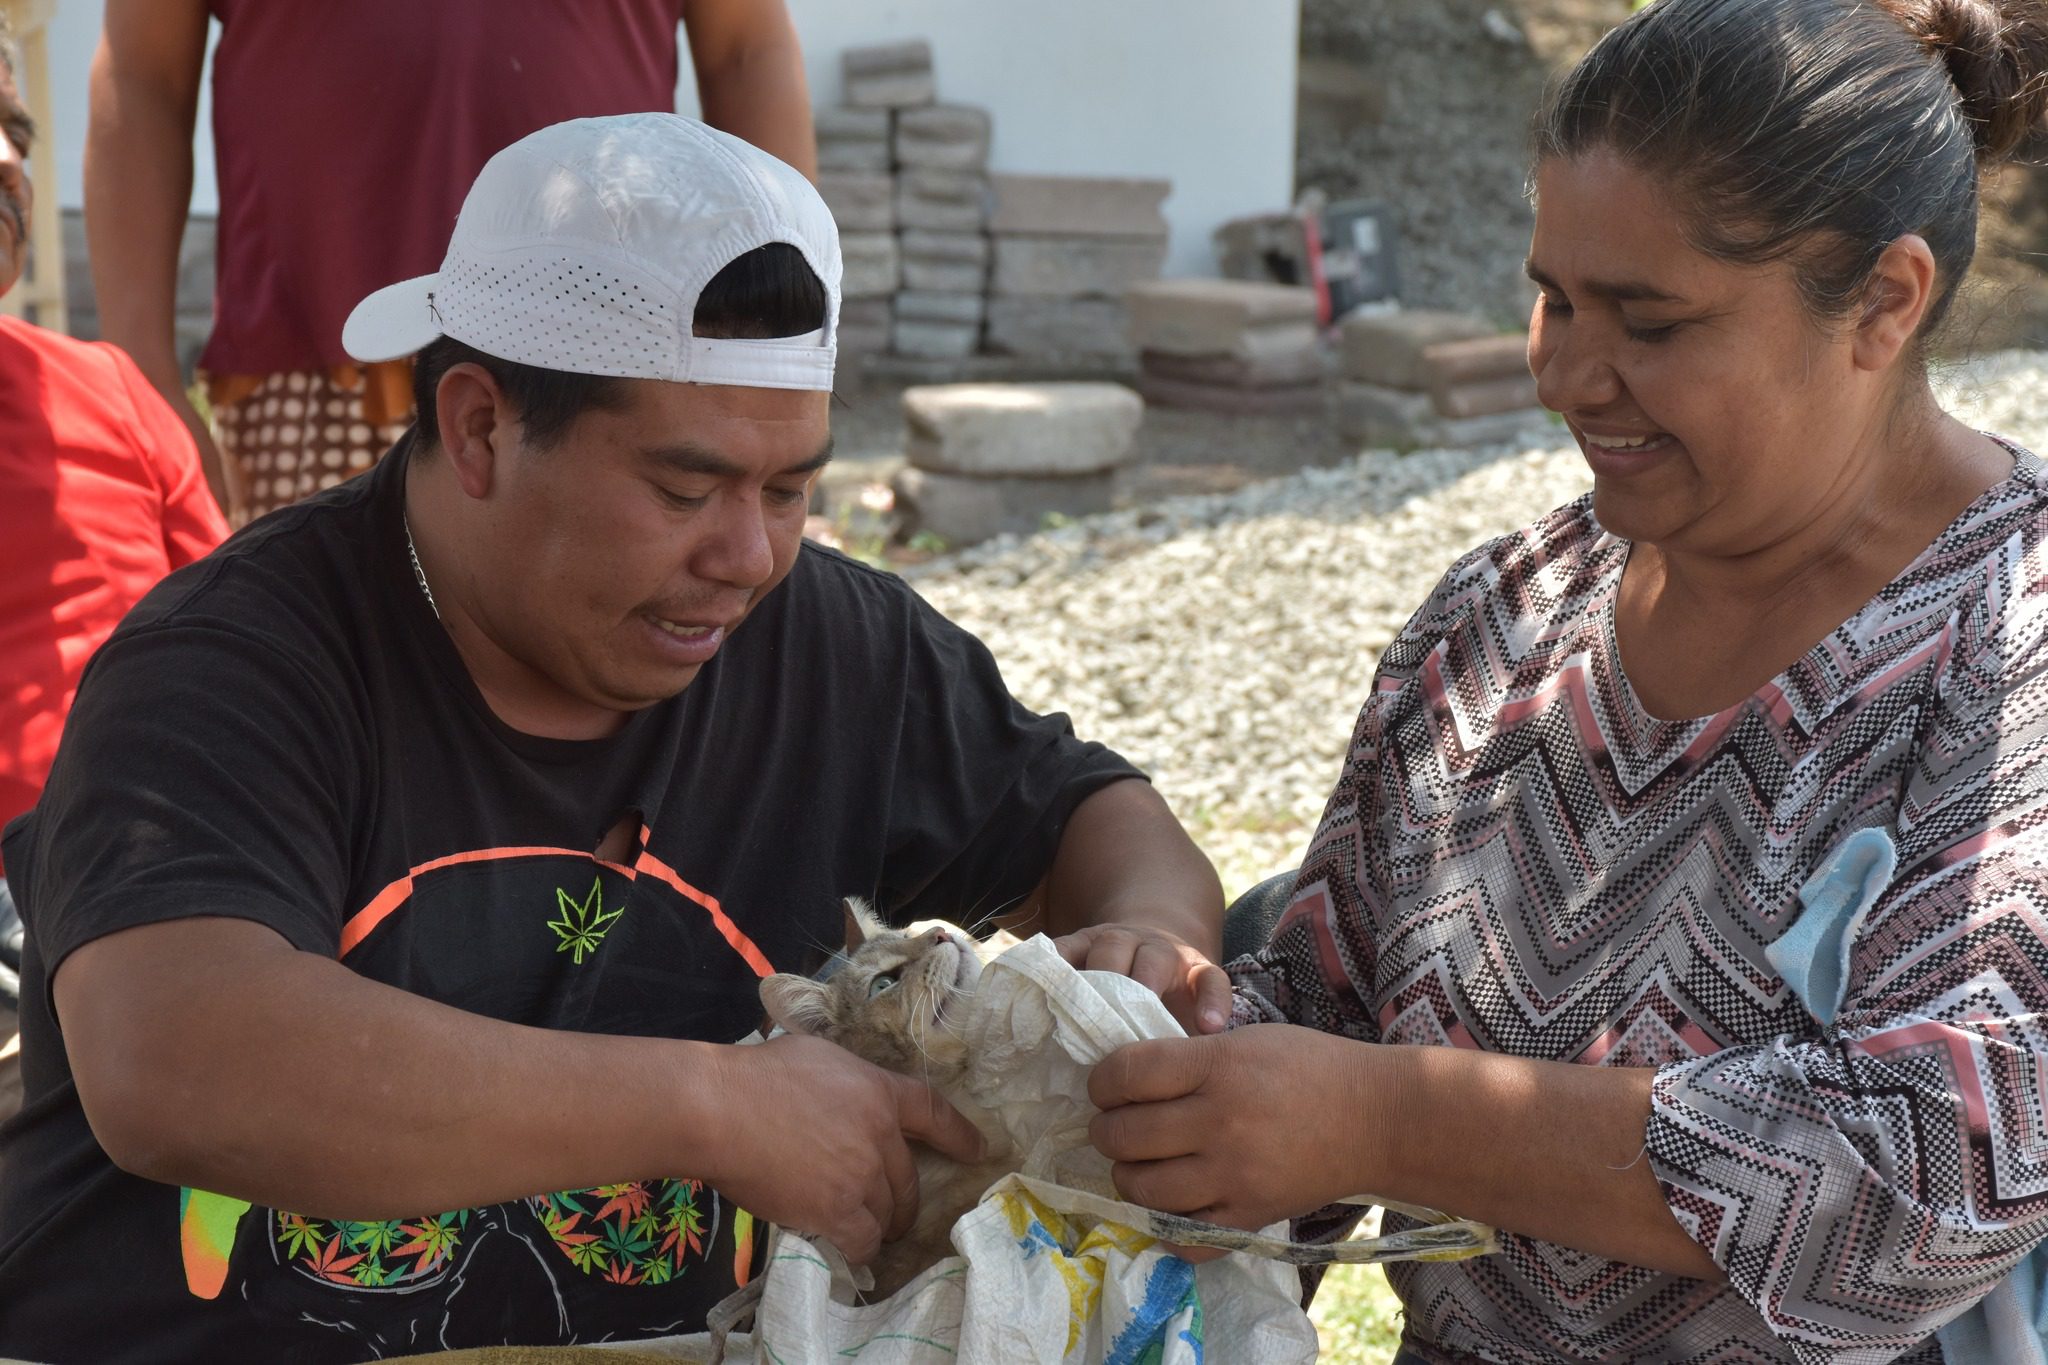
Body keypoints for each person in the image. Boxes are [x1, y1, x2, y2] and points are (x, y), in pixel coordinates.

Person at [0, 114, 1227, 1362]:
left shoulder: (831, 644)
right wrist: (707, 1109)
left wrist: (1152, 936)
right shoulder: (232, 664)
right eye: (682, 492)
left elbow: (1093, 813)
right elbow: (174, 1055)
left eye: (791, 490)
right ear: (478, 428)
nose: (745, 558)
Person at [1085, 1, 2048, 1360]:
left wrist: (1380, 1115)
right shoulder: (1500, 620)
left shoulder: (2006, 649)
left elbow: (1934, 1164)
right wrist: (1155, 1039)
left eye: (1648, 322)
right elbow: (1321, 1006)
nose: (1564, 372)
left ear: (1884, 302)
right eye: (1553, 296)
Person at [85, 0, 816, 523]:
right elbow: (144, 72)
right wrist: (139, 370)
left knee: (601, 677)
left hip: (611, 351)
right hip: (316, 360)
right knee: (324, 661)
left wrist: (788, 341)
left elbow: (745, 51)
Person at [0, 17, 227, 1127]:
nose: (6, 164)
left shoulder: (111, 394)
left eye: (13, 133)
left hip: (154, 886)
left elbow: (249, 668)